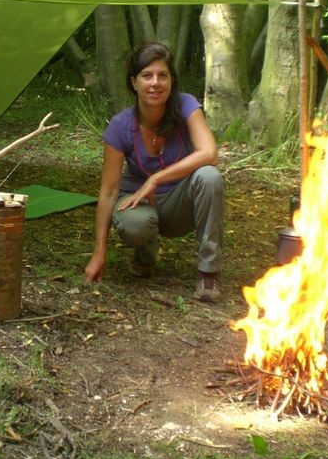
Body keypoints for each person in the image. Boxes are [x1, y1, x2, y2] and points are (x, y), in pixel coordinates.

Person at [83, 41, 225, 302]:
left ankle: (208, 271)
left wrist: (156, 178)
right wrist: (99, 252)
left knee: (210, 176)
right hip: (140, 200)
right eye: (147, 76)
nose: (155, 83)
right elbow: (109, 192)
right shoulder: (119, 127)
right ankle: (144, 253)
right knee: (135, 223)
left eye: (163, 75)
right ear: (134, 82)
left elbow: (209, 153)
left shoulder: (186, 105)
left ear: (172, 81)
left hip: (181, 202)